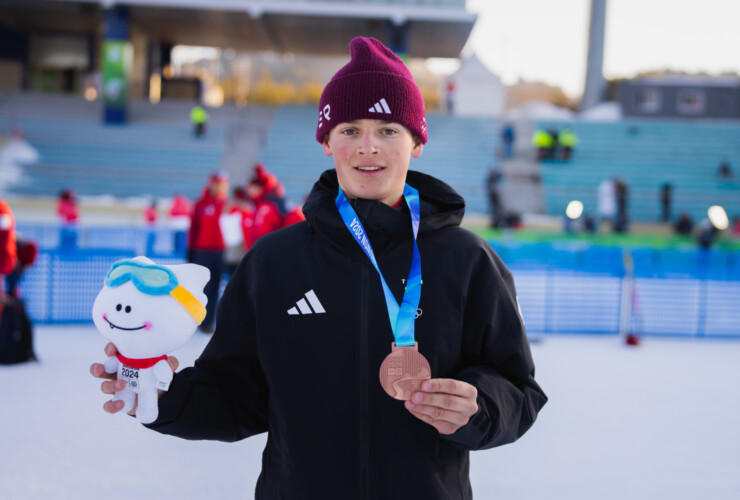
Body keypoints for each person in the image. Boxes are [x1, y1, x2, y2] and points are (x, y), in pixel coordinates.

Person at [91, 37, 547, 499]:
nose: (368, 147)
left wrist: (479, 405)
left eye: (389, 129)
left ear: (417, 141)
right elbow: (236, 394)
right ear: (327, 141)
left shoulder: (468, 261)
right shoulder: (273, 262)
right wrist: (167, 397)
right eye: (349, 129)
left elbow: (518, 388)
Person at [187, 171, 229, 333]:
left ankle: (209, 321)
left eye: (223, 183)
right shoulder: (201, 203)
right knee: (202, 288)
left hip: (221, 252)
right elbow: (194, 228)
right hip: (202, 251)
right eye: (217, 182)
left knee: (217, 287)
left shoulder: (227, 203)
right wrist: (191, 251)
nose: (220, 186)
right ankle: (199, 320)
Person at [245, 162, 305, 246]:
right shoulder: (272, 201)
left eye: (252, 187)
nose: (249, 191)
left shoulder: (266, 207)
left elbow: (263, 236)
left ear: (259, 188)